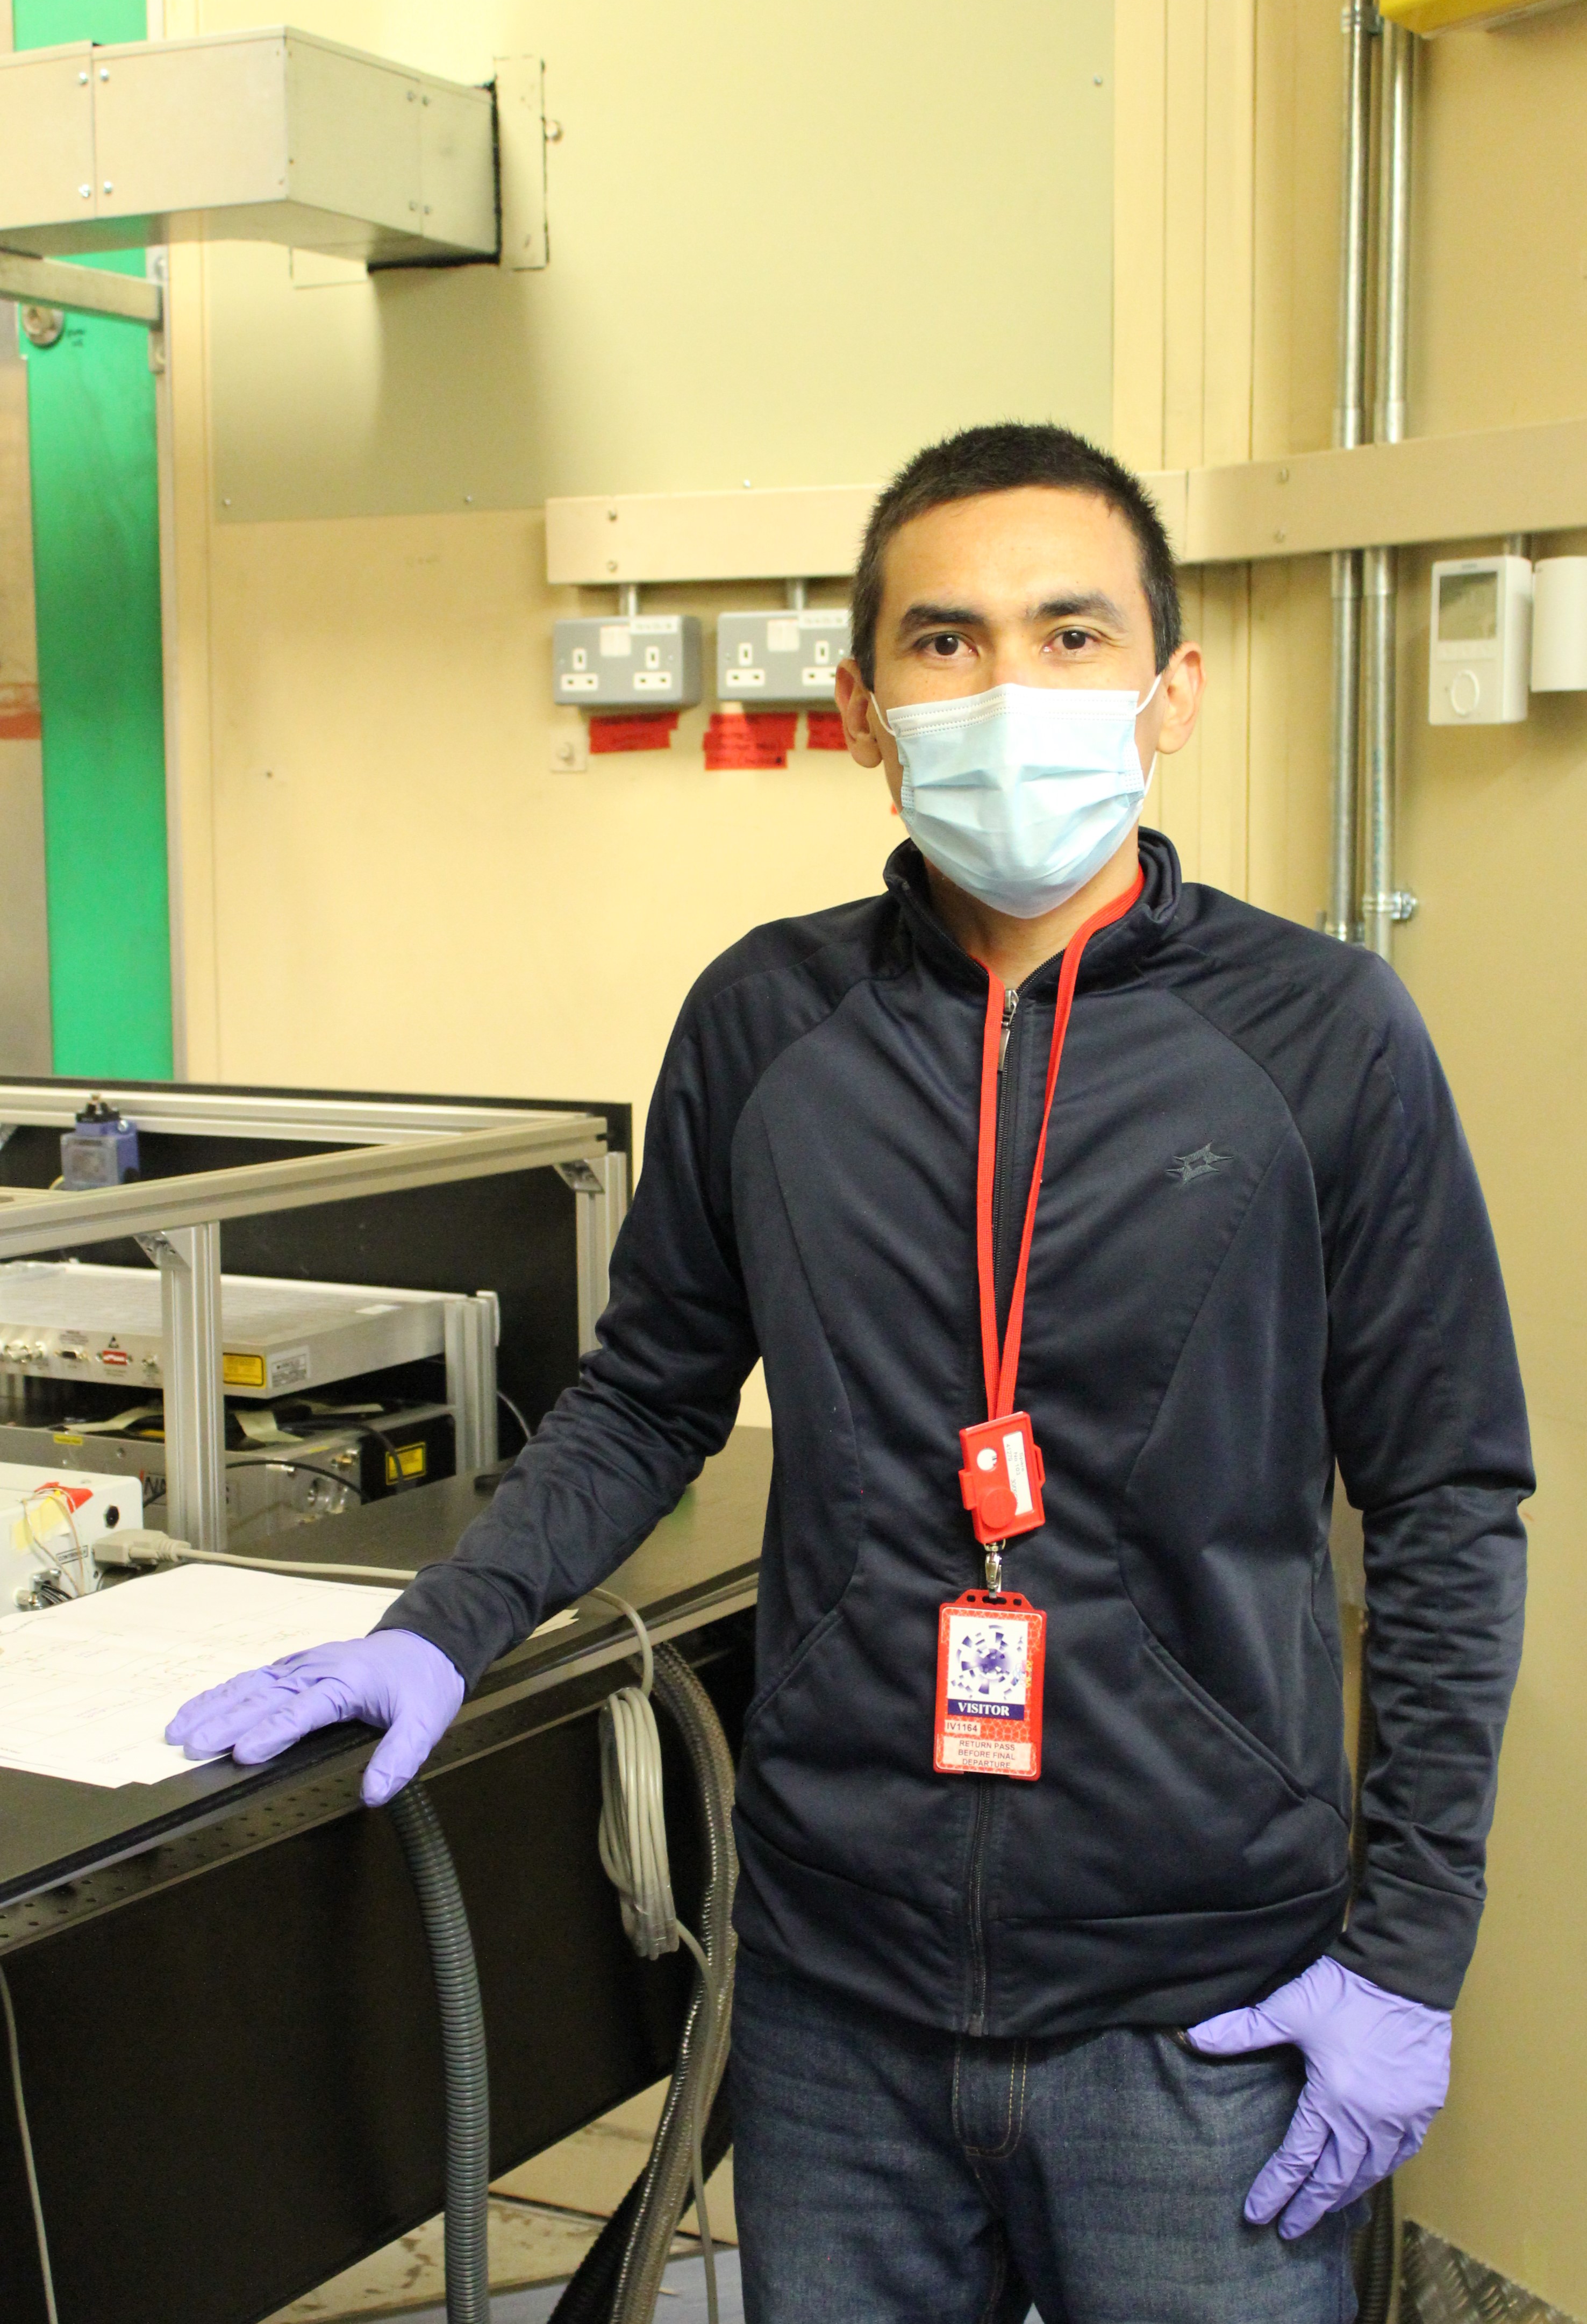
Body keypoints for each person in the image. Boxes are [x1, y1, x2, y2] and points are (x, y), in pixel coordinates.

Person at [168, 423, 1530, 2323]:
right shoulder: (767, 1017)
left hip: (1203, 2009)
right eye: (947, 642)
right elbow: (649, 1392)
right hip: (837, 2002)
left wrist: (1406, 1954)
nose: (1009, 686)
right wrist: (447, 1623)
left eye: (1071, 636)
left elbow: (1453, 1498)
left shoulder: (1319, 1034)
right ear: (866, 704)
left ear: (1172, 692)